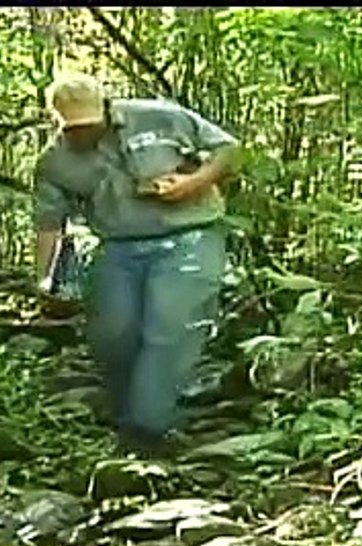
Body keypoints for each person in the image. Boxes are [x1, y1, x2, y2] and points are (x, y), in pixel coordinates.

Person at [32, 73, 240, 456]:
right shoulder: (54, 162)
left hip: (189, 238)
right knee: (113, 335)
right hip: (118, 246)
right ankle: (131, 411)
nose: (84, 135)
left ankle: (147, 429)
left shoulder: (161, 117)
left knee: (169, 329)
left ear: (107, 111)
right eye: (73, 129)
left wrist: (192, 183)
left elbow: (227, 149)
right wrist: (46, 279)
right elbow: (49, 224)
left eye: (90, 126)